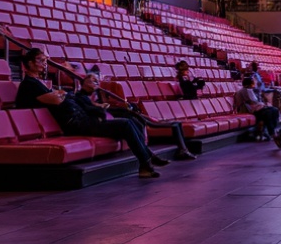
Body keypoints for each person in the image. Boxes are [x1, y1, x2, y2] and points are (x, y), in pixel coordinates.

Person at [15, 48, 164, 179]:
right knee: (125, 124)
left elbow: (59, 96)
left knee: (129, 119)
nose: (44, 63)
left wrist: (61, 93)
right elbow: (56, 100)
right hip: (75, 124)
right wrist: (61, 93)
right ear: (29, 63)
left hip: (81, 119)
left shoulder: (38, 83)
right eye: (40, 60)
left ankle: (147, 158)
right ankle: (146, 164)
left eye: (45, 60)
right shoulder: (29, 84)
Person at [82, 68, 196, 160]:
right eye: (93, 80)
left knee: (176, 124)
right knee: (137, 121)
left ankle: (183, 150)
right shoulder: (83, 98)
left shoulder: (101, 95)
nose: (96, 83)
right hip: (107, 120)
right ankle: (171, 151)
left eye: (97, 80)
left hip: (126, 114)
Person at [234, 75, 280, 140]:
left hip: (258, 108)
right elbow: (252, 102)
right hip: (251, 110)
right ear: (249, 83)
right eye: (253, 82)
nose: (254, 84)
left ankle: (273, 130)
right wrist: (262, 105)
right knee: (268, 113)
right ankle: (271, 132)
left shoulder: (250, 90)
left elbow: (255, 101)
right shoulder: (245, 90)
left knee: (275, 110)